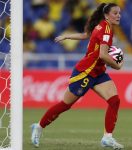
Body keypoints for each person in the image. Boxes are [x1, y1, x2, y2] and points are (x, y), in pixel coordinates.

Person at [31, 3, 124, 149]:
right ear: (106, 15)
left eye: (119, 13)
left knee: (114, 100)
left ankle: (107, 138)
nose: (118, 15)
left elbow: (85, 35)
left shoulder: (101, 25)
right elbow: (103, 55)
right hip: (85, 73)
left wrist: (67, 36)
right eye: (115, 13)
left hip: (98, 72)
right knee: (65, 105)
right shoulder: (106, 29)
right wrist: (117, 65)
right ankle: (39, 126)